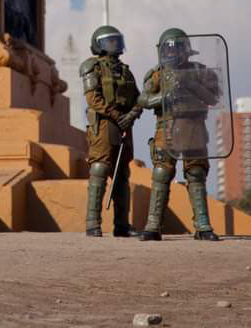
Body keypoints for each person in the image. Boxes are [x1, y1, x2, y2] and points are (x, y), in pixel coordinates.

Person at [138, 27, 222, 241]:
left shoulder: (199, 71)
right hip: (165, 128)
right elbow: (143, 99)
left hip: (194, 128)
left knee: (196, 174)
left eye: (175, 48)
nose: (171, 53)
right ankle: (153, 225)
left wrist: (190, 82)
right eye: (167, 49)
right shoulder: (157, 74)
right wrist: (161, 99)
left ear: (186, 49)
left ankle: (203, 225)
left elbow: (213, 99)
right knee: (161, 174)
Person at [81, 25, 141, 237]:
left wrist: (132, 115)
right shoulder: (92, 66)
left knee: (122, 175)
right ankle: (92, 224)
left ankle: (122, 225)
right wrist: (117, 116)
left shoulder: (126, 70)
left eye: (117, 40)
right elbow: (93, 99)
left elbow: (138, 98)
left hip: (125, 126)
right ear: (99, 44)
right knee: (99, 169)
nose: (115, 44)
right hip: (104, 125)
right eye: (109, 41)